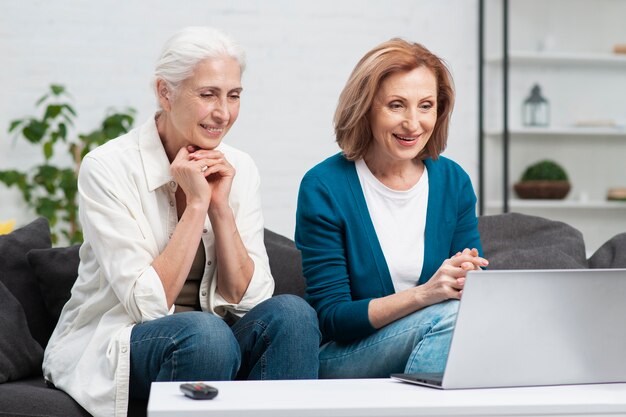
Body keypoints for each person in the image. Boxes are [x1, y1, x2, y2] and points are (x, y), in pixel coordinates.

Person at [43, 26, 320, 417]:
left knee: (293, 316)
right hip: (124, 340)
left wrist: (220, 207)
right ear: (164, 93)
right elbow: (147, 305)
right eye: (208, 94)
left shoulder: (239, 167)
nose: (223, 112)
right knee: (208, 336)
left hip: (215, 334)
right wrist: (195, 205)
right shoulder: (107, 168)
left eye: (234, 95)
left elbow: (253, 299)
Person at [295, 38, 488, 379]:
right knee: (451, 321)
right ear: (366, 108)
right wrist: (426, 294)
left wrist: (469, 281)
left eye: (426, 106)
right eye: (397, 105)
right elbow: (333, 317)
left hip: (438, 337)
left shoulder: (453, 181)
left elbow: (470, 290)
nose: (413, 124)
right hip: (345, 355)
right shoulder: (324, 186)